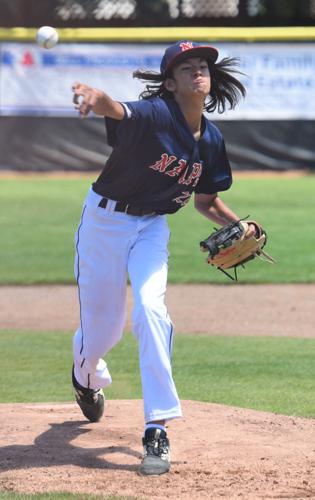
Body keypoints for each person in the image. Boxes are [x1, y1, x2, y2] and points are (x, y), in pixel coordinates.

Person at [71, 40, 254, 476]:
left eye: (202, 67)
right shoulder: (156, 114)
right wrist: (97, 99)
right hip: (105, 223)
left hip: (152, 227)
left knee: (152, 310)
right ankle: (86, 374)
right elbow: (118, 109)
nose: (197, 72)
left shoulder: (210, 139)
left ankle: (157, 426)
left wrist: (239, 223)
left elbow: (205, 200)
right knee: (103, 330)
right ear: (170, 83)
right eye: (186, 67)